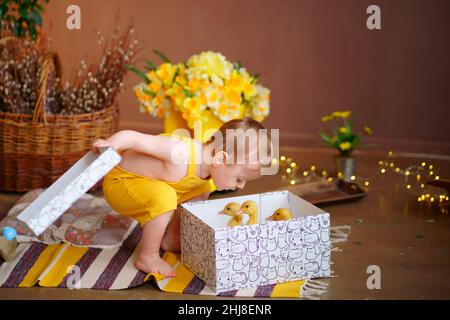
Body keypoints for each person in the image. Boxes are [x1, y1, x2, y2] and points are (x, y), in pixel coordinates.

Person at [91, 118, 272, 277]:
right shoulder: (180, 152)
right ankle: (148, 256)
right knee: (165, 197)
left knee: (203, 190)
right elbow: (132, 137)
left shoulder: (205, 175)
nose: (241, 186)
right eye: (240, 179)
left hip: (150, 187)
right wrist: (109, 145)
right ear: (220, 159)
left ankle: (171, 238)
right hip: (121, 183)